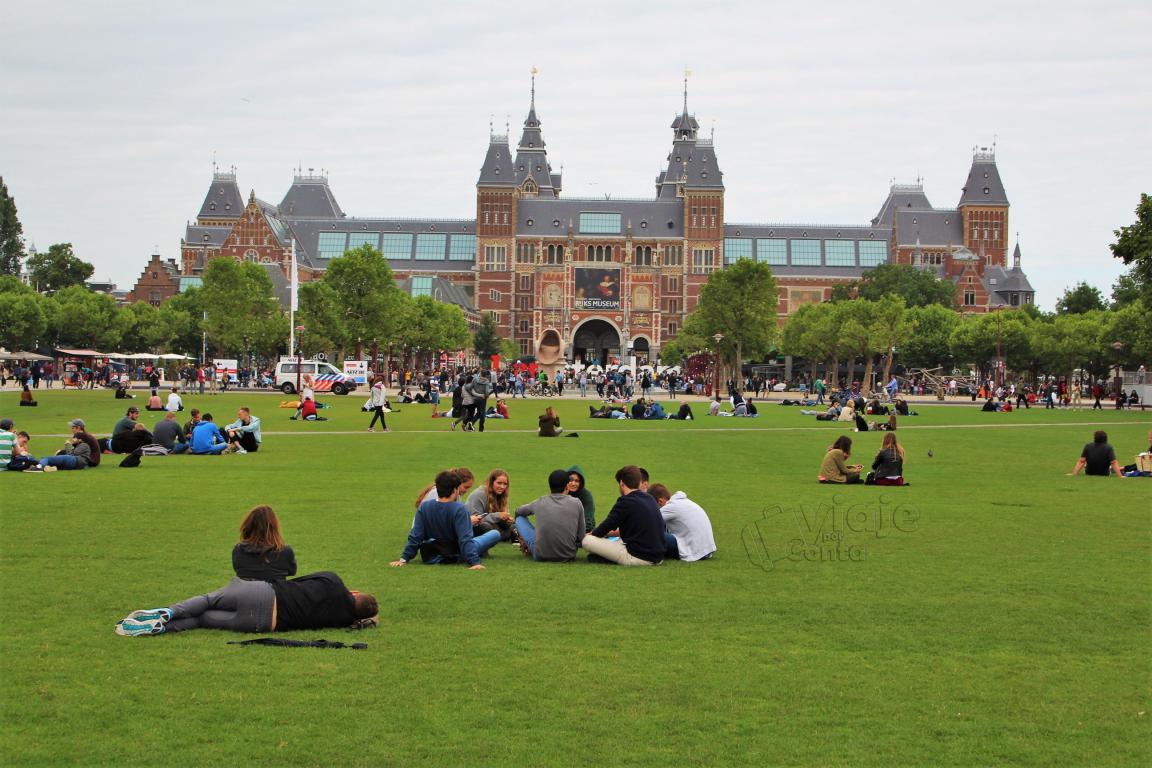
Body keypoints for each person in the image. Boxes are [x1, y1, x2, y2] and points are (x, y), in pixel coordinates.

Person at [115, 571, 377, 636]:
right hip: (263, 624)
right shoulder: (343, 621)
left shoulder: (332, 580)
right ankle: (160, 628)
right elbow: (362, 618)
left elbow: (298, 579)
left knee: (208, 600)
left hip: (264, 594)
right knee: (203, 621)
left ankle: (167, 612)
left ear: (354, 593)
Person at [391, 470, 497, 568]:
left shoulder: (424, 507)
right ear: (455, 489)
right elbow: (465, 539)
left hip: (430, 557)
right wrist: (475, 563)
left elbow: (416, 535)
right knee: (494, 534)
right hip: (454, 554)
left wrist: (404, 559)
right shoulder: (459, 509)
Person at [582, 465, 666, 566]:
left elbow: (606, 526)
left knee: (587, 541)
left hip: (639, 557)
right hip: (659, 557)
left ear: (621, 483)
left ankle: (606, 558)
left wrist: (592, 534)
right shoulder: (649, 498)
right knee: (616, 541)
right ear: (639, 482)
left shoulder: (625, 501)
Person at [514, 469, 586, 561]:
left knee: (520, 518)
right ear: (567, 486)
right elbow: (581, 536)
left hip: (541, 555)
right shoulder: (577, 503)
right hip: (568, 555)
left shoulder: (540, 501)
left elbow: (519, 511)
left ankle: (526, 544)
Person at [648, 483, 716, 562]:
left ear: (660, 501)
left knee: (652, 532)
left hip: (693, 550)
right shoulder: (682, 501)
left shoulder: (670, 507)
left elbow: (648, 521)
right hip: (706, 549)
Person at [233, 505, 297, 580]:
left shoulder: (239, 550)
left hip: (246, 591)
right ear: (274, 527)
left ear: (248, 526)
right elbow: (292, 571)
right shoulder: (285, 551)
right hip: (275, 591)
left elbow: (238, 569)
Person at [466, 469, 515, 542]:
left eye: (505, 484)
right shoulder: (479, 494)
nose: (502, 487)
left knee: (515, 526)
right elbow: (475, 520)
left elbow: (501, 518)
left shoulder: (502, 495)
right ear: (491, 483)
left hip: (493, 525)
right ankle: (500, 536)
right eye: (499, 483)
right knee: (486, 527)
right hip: (473, 526)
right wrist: (498, 516)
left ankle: (500, 536)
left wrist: (507, 519)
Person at [567, 465, 596, 532]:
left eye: (577, 481)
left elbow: (588, 522)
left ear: (581, 483)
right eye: (570, 480)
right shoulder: (562, 493)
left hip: (583, 532)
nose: (573, 483)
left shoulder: (586, 496)